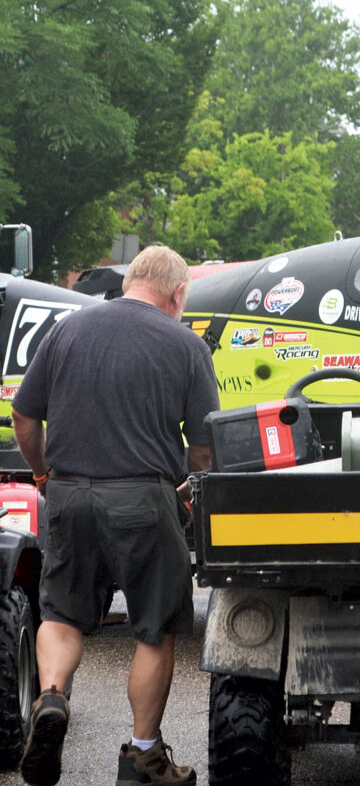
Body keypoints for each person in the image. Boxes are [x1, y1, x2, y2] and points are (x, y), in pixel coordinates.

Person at [11, 245, 220, 786]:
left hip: (70, 493)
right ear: (177, 294)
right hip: (144, 500)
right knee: (154, 627)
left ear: (131, 281)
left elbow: (24, 416)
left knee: (60, 613)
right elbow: (203, 449)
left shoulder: (67, 329)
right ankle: (142, 758)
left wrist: (41, 475)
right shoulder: (187, 345)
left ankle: (52, 698)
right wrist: (191, 497)